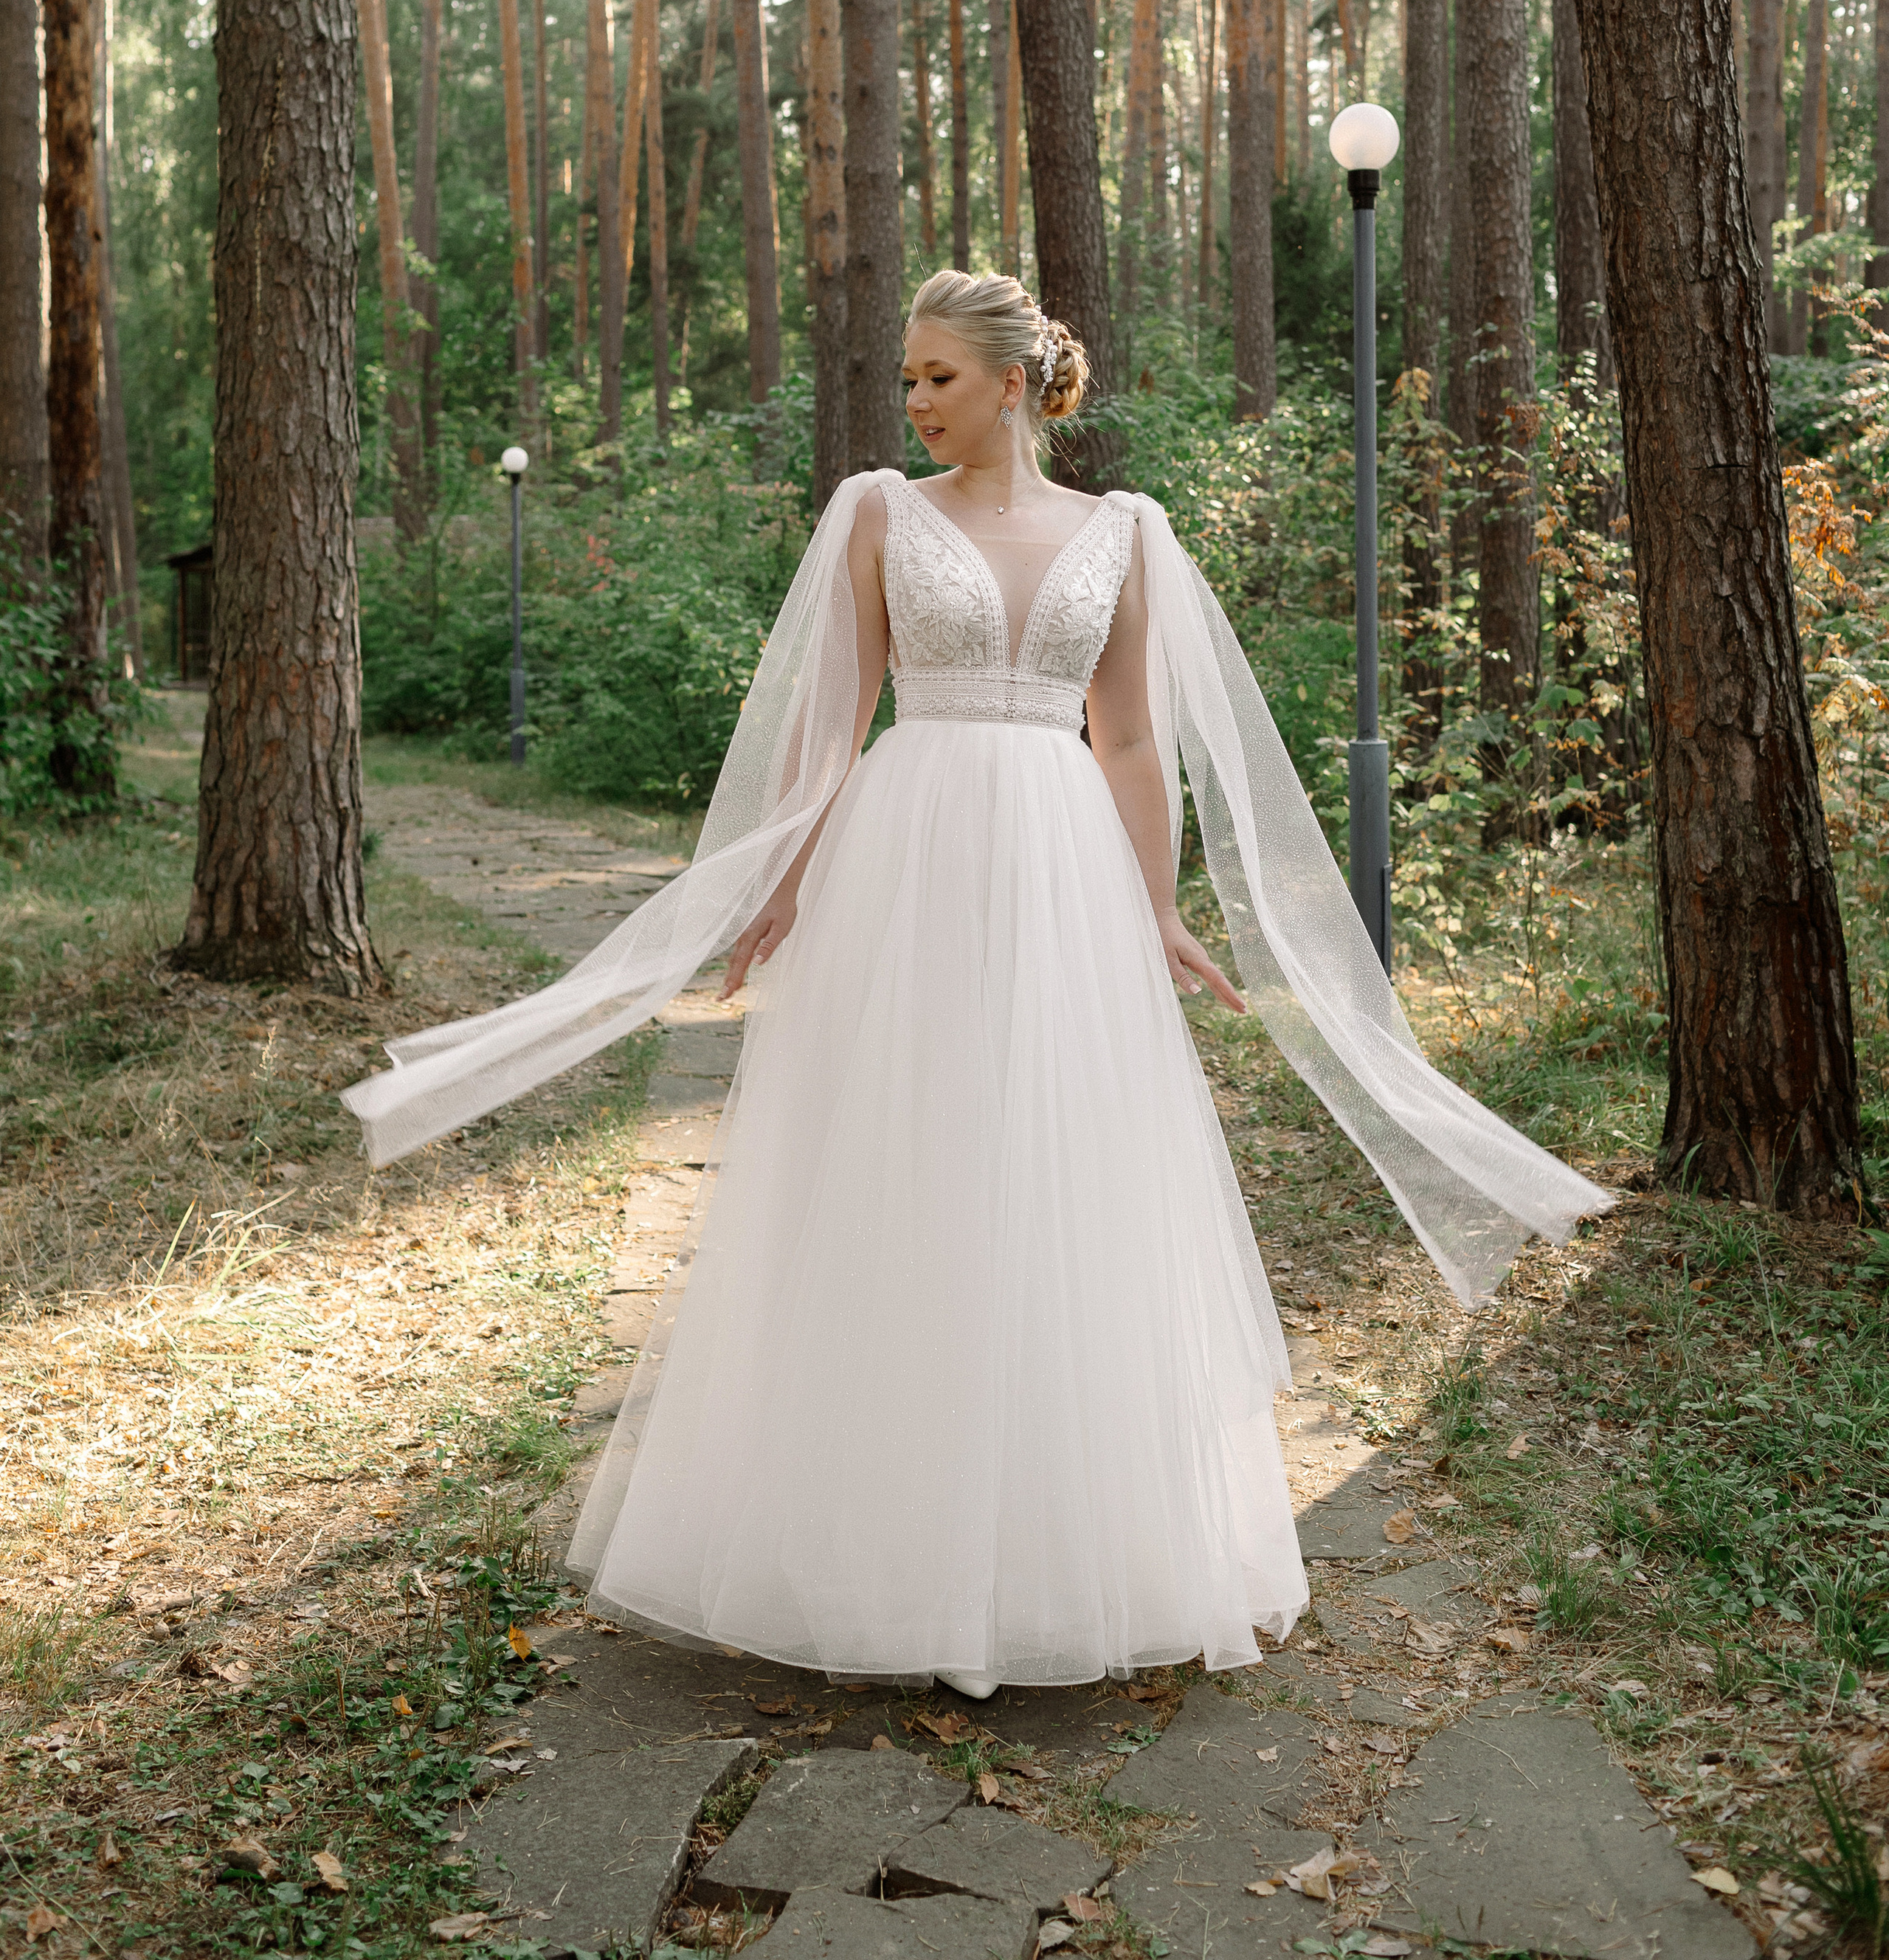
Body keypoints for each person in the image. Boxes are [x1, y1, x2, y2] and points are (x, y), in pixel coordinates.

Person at [342, 271, 1608, 1693]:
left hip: (1068, 868)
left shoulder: (1124, 533)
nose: (916, 403)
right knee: (904, 1164)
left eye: (939, 377)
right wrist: (781, 878)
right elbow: (833, 724)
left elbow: (1130, 743)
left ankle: (1065, 1549)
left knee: (1060, 1176)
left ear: (1015, 383)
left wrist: (1154, 912)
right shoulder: (878, 512)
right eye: (908, 380)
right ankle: (876, 1546)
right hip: (910, 857)